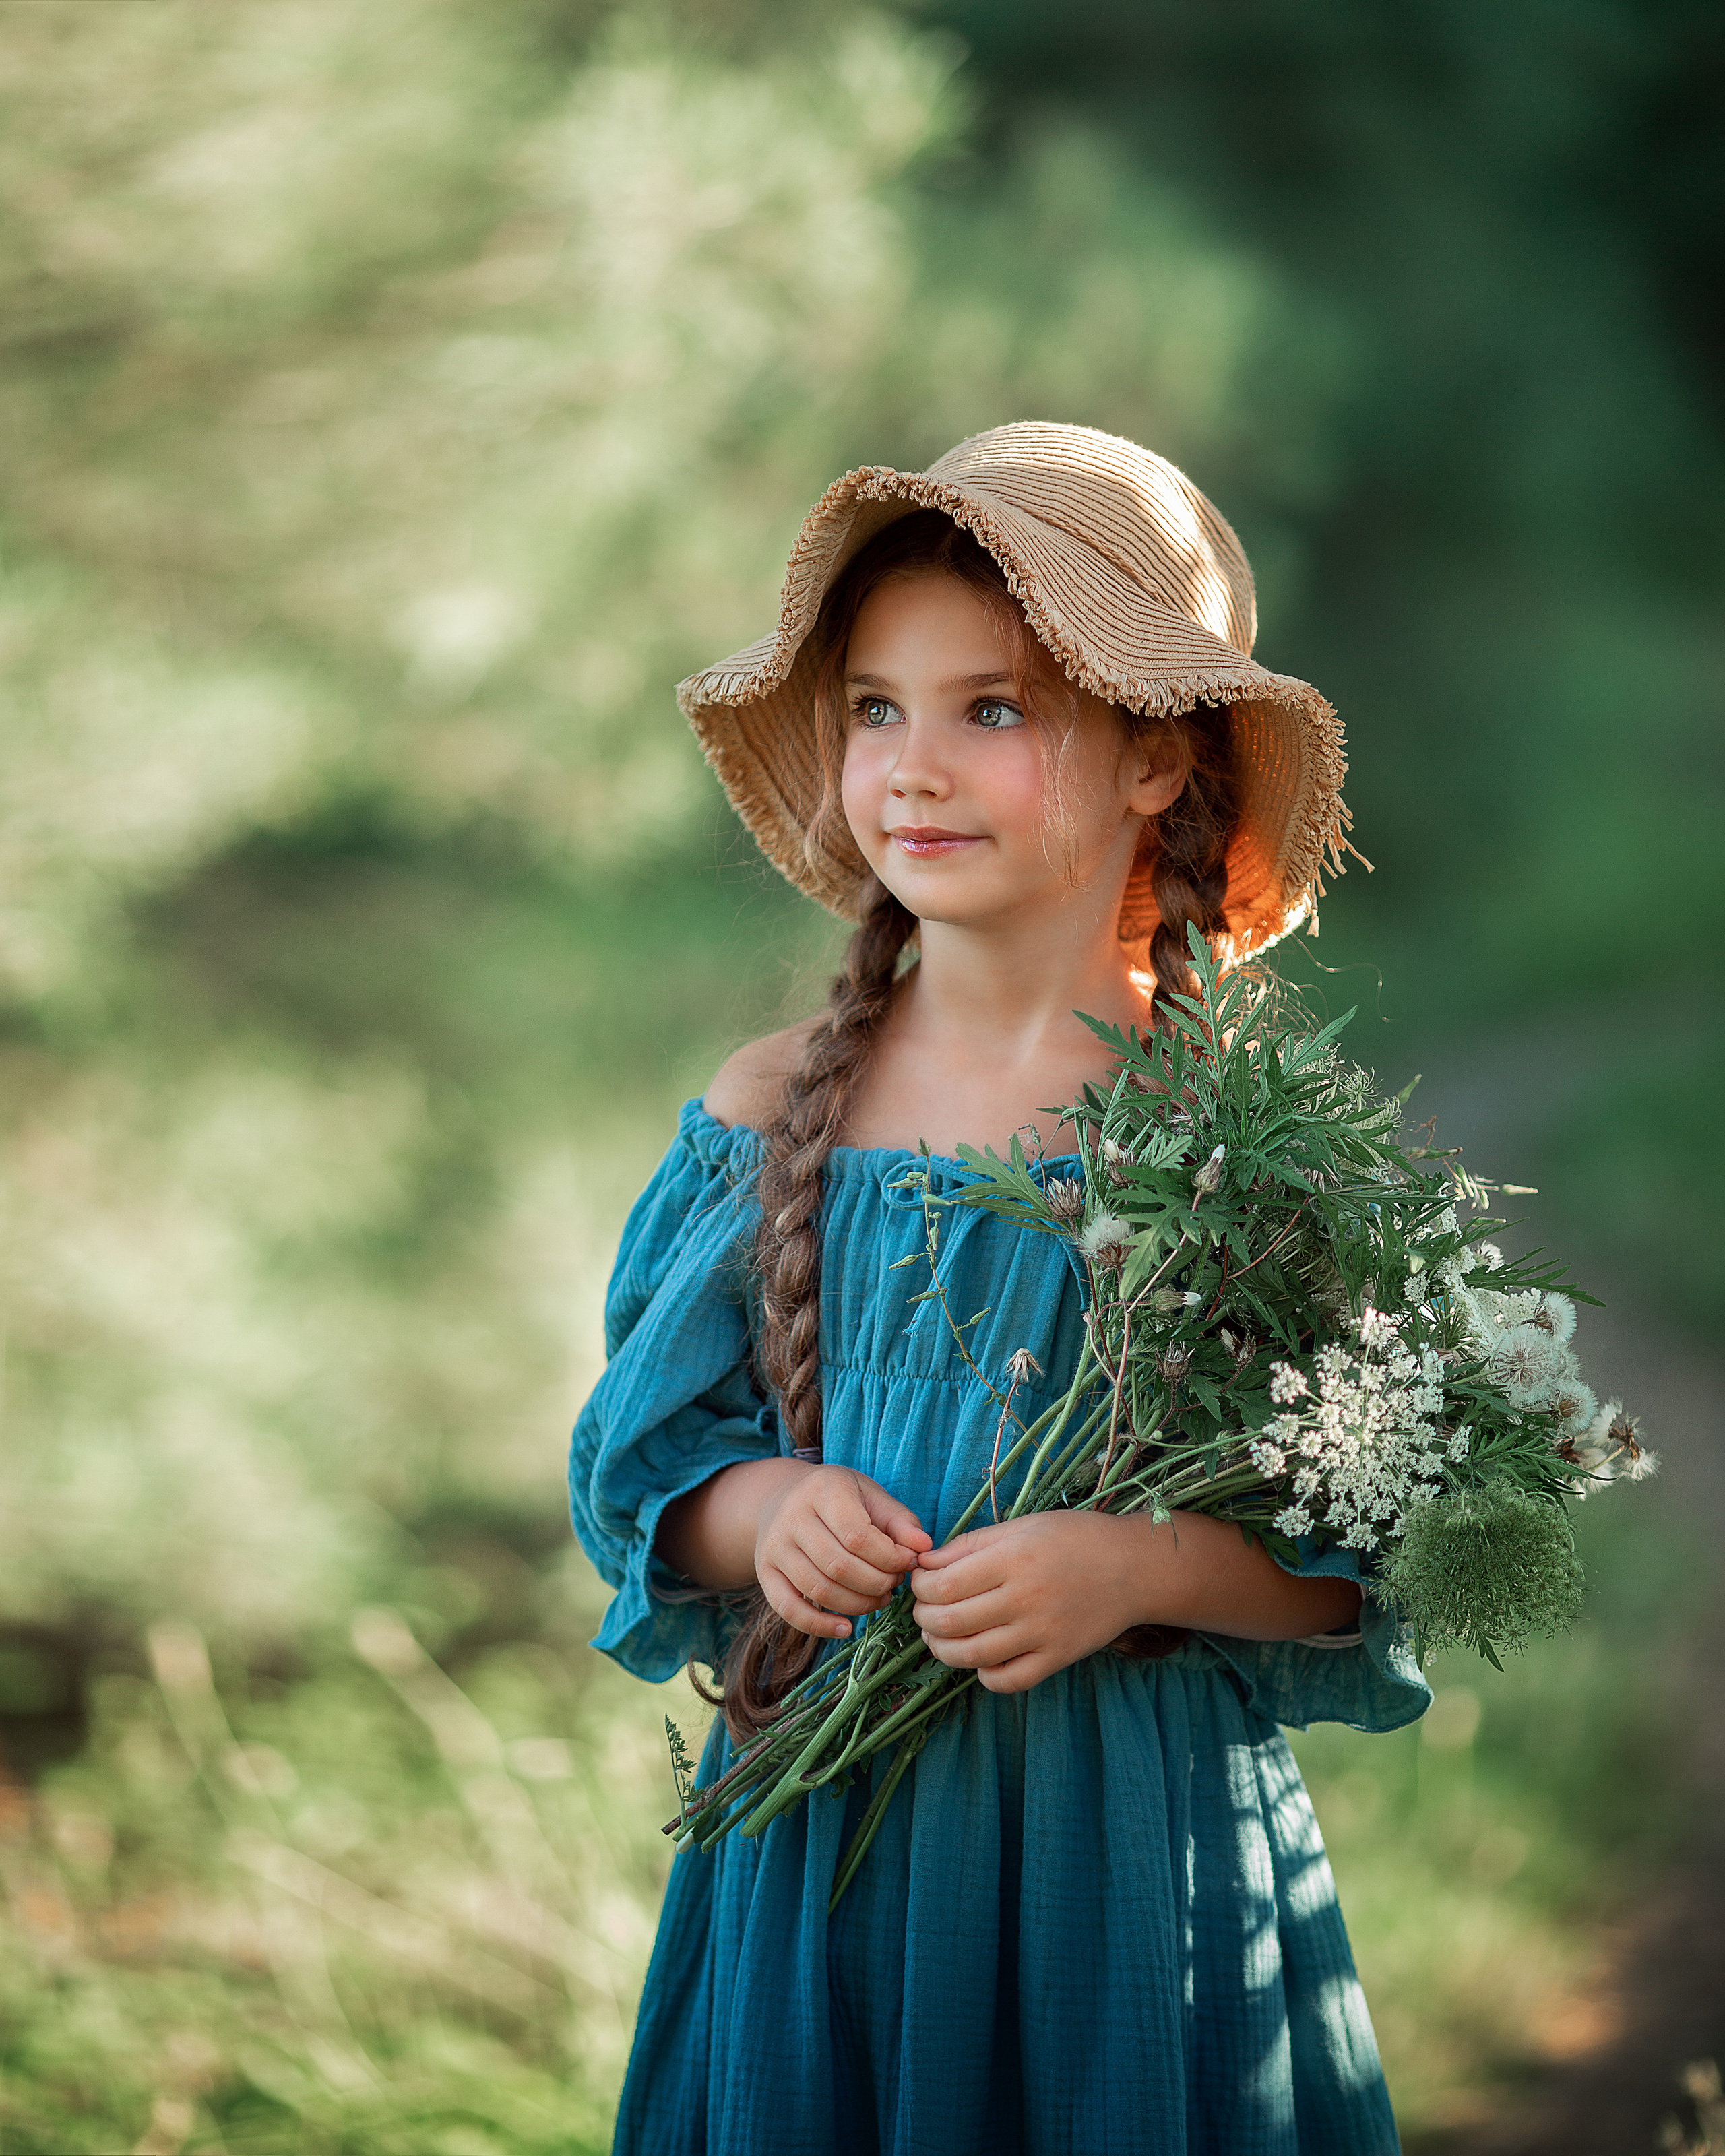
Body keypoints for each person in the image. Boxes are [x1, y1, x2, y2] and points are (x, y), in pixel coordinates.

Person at [569, 423, 1428, 2155]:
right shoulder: (766, 1109)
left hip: (1126, 1858)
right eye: (875, 709)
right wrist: (769, 1510)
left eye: (992, 708)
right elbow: (639, 1473)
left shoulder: (1233, 1148)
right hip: (824, 1842)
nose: (912, 766)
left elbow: (1361, 1558)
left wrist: (1141, 1566)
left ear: (1157, 765)